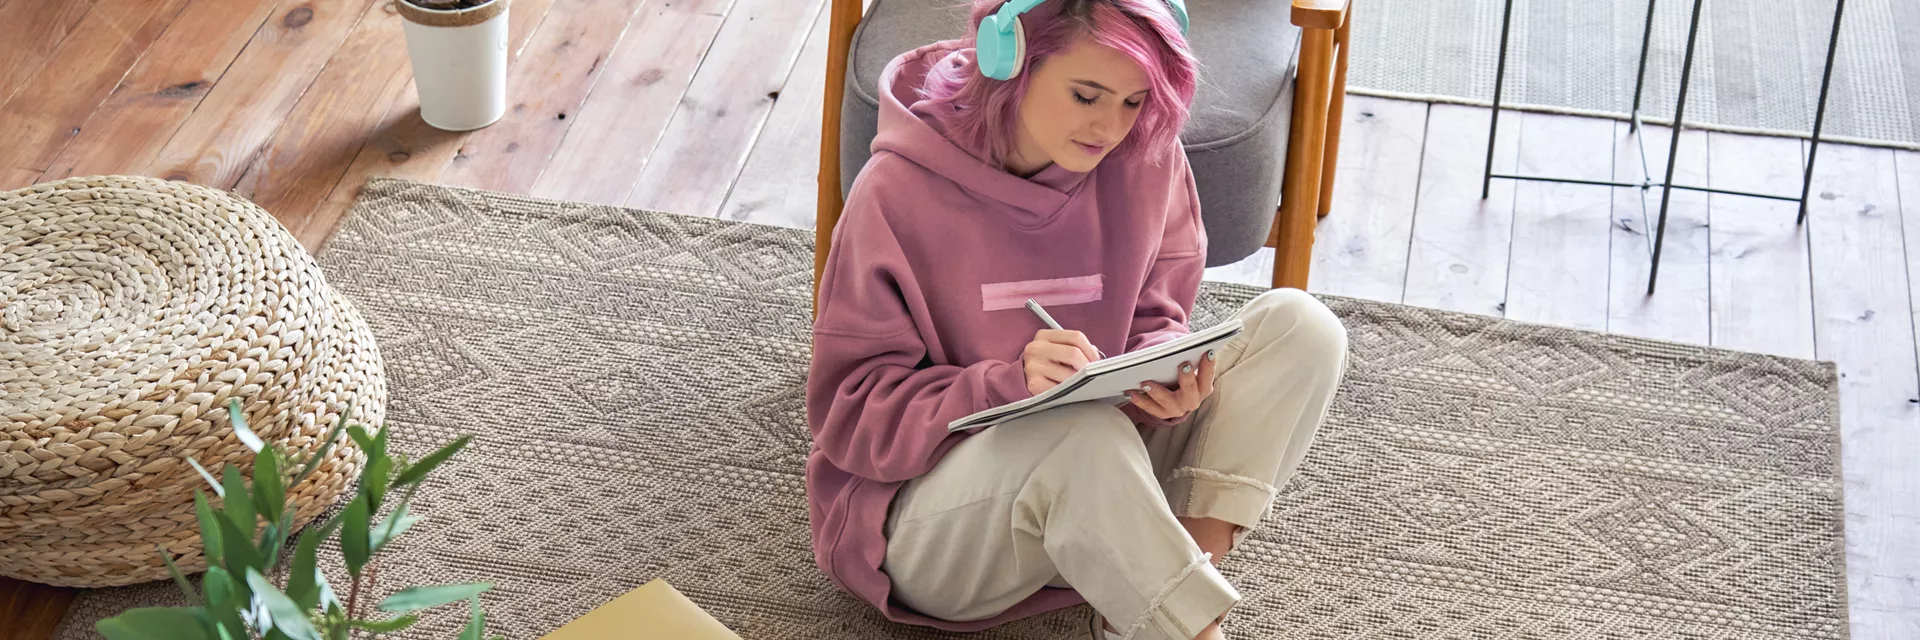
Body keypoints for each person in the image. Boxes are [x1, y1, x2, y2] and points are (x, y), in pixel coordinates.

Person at [805, 1, 1348, 638]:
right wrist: (1006, 383)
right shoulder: (895, 193)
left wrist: (1164, 374)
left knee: (1301, 326)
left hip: (1107, 477)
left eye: (1132, 100)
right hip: (939, 531)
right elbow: (851, 415)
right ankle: (1190, 628)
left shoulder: (1147, 157)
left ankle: (1158, 588)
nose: (1109, 127)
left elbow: (1157, 314)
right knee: (1080, 432)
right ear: (1010, 64)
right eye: (1086, 95)